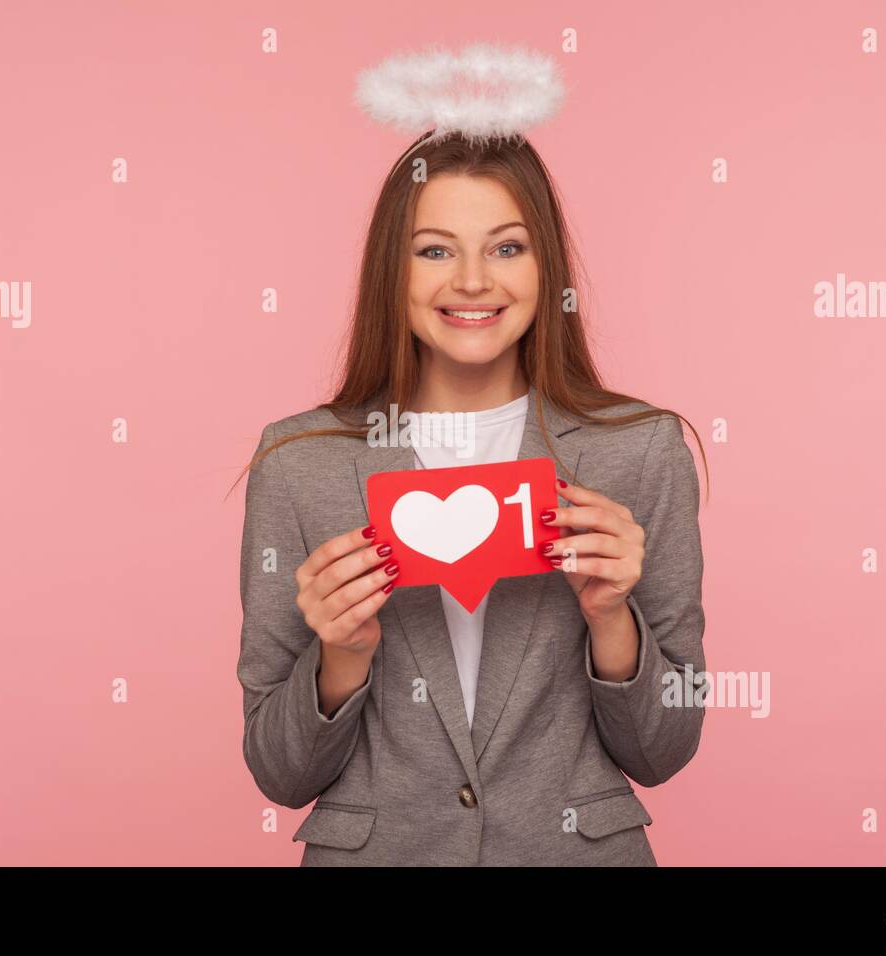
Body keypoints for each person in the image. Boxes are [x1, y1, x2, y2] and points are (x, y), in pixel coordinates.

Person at [234, 45, 709, 866]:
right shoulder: (299, 463)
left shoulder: (639, 451)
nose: (472, 281)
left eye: (506, 247)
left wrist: (611, 620)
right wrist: (340, 656)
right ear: (395, 269)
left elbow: (663, 751)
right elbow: (278, 774)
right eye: (434, 249)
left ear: (545, 265)